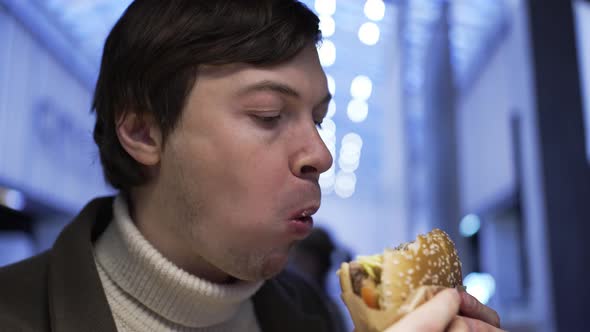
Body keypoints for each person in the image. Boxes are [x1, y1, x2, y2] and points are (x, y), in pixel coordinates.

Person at [0, 0, 503, 331]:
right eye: (268, 115)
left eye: (318, 118)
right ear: (143, 132)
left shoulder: (313, 316)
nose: (321, 156)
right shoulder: (17, 313)